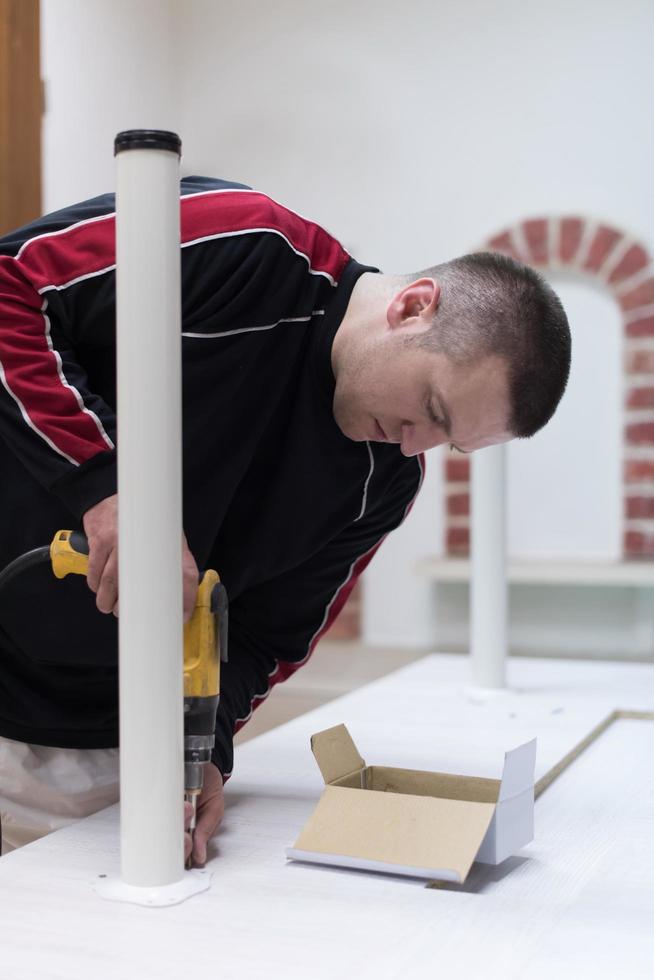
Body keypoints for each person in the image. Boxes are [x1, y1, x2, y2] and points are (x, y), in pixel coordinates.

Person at [0, 176, 571, 864]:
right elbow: (10, 288)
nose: (416, 445)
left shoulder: (383, 483)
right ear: (413, 308)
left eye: (446, 442)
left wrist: (204, 752)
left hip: (106, 753)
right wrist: (110, 490)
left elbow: (265, 639)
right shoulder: (244, 245)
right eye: (434, 409)